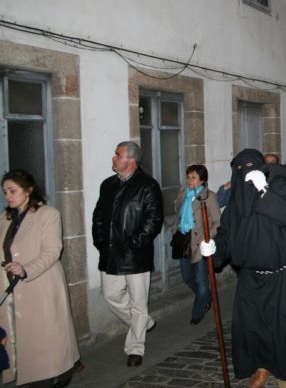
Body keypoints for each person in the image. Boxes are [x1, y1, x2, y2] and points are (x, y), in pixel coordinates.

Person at [201, 149, 286, 388]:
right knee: (254, 330)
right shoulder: (236, 203)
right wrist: (214, 248)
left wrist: (265, 192)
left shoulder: (278, 186)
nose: (246, 173)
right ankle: (262, 368)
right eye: (241, 169)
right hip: (251, 278)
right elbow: (227, 235)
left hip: (283, 275)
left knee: (285, 330)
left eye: (252, 167)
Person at [0, 169, 80, 386]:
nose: (8, 196)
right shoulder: (5, 218)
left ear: (28, 190)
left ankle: (58, 374)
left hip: (41, 284)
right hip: (12, 288)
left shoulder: (48, 215)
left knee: (48, 338)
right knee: (22, 336)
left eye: (12, 190)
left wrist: (27, 268)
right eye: (5, 191)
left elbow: (53, 250)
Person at [92, 141, 163, 367]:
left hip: (136, 254)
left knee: (138, 302)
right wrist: (100, 240)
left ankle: (135, 348)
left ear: (131, 160)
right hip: (110, 253)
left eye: (117, 155)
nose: (113, 158)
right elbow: (98, 216)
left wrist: (134, 243)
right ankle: (145, 322)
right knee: (111, 295)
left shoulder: (148, 185)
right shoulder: (107, 185)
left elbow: (154, 220)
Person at [171, 165, 221, 325]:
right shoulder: (183, 194)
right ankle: (205, 295)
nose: (189, 180)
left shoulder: (209, 197)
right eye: (188, 177)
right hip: (183, 241)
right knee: (187, 277)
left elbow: (217, 222)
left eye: (193, 177)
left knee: (201, 280)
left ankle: (198, 311)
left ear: (202, 180)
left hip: (200, 244)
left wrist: (208, 239)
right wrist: (175, 229)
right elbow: (177, 214)